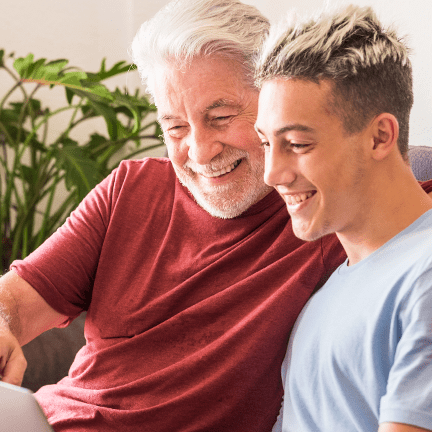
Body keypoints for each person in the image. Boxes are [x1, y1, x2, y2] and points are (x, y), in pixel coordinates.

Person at [0, 1, 348, 431]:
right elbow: (14, 301)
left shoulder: (326, 209)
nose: (200, 152)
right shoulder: (130, 188)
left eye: (220, 117)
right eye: (176, 128)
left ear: (276, 98)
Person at [255, 5, 432, 432]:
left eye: (296, 143)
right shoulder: (323, 297)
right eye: (265, 143)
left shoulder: (424, 277)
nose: (272, 174)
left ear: (379, 136)